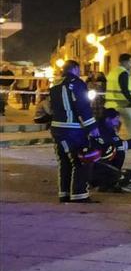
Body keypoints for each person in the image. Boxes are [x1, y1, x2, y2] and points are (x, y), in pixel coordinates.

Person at [49, 60, 98, 203]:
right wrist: (92, 127)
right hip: (72, 129)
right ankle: (79, 195)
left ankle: (64, 194)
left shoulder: (55, 84)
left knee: (64, 162)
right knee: (80, 161)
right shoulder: (77, 83)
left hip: (57, 128)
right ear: (75, 69)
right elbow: (83, 106)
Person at [89, 108, 131, 192]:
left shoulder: (108, 128)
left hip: (98, 162)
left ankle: (109, 180)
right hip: (94, 164)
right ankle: (104, 181)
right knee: (117, 152)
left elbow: (118, 143)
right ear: (108, 119)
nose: (118, 120)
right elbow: (117, 145)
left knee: (118, 152)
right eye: (116, 118)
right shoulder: (101, 130)